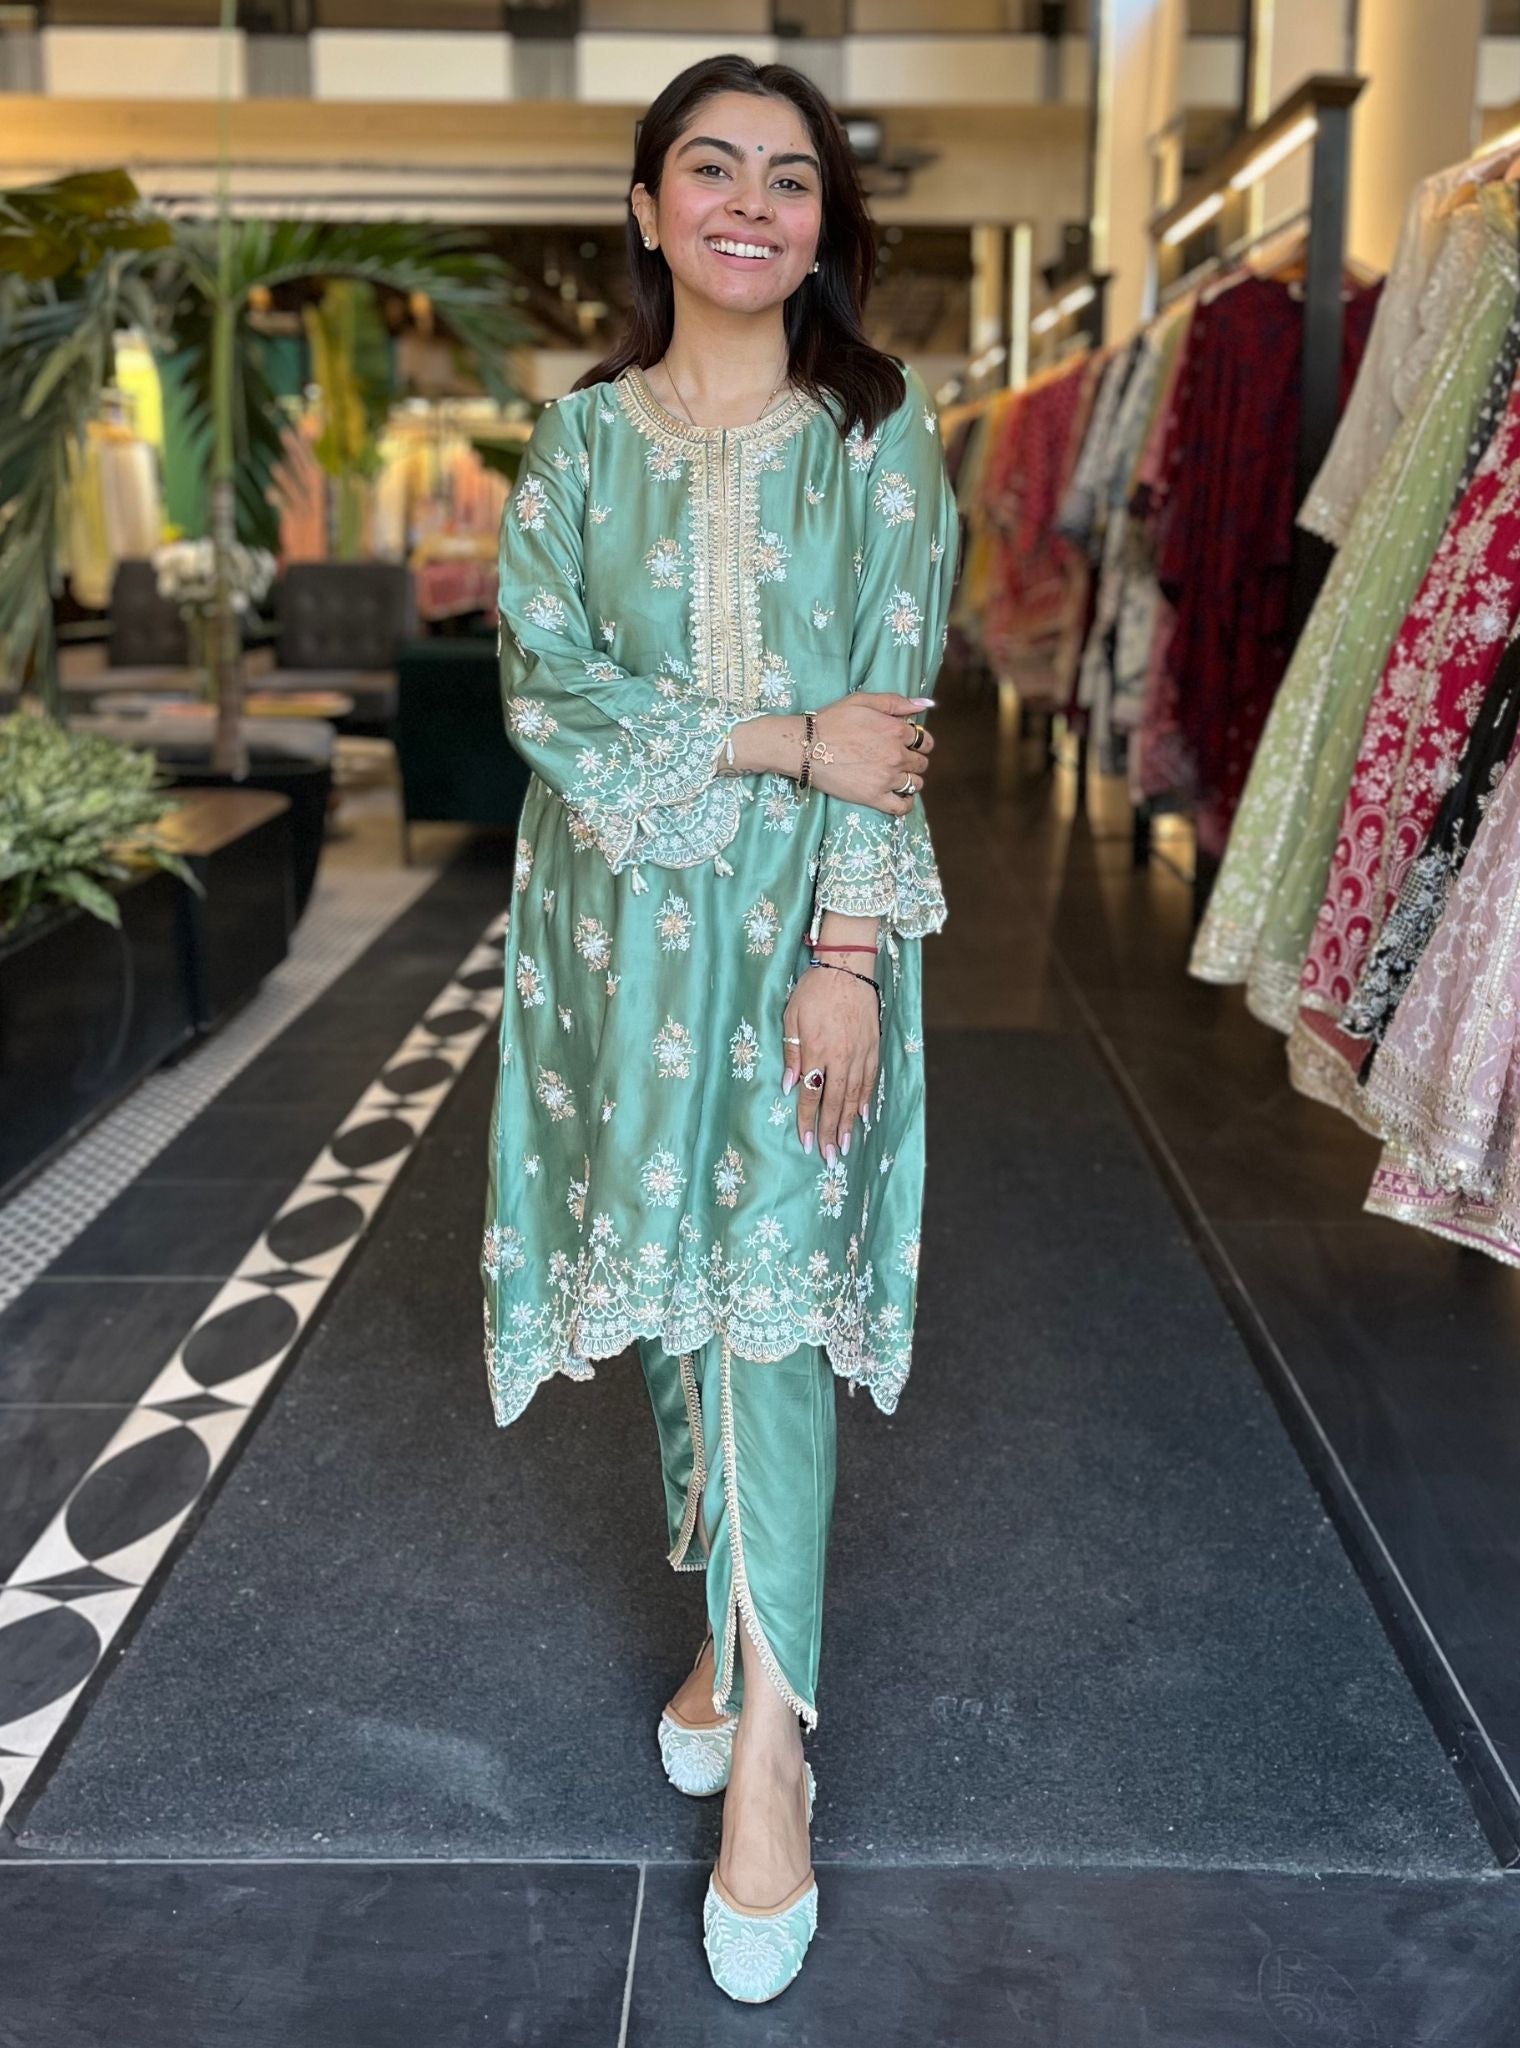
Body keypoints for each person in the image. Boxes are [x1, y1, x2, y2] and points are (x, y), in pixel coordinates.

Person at [480, 51, 958, 2004]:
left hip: (798, 943)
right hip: (615, 938)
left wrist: (850, 953)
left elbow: (892, 713)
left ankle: (773, 1751)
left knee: (768, 1305)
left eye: (790, 176)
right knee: (680, 1301)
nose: (751, 203)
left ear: (825, 226)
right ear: (647, 207)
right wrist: (774, 734)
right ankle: (731, 1623)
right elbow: (546, 684)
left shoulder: (876, 436)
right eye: (712, 168)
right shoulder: (580, 443)